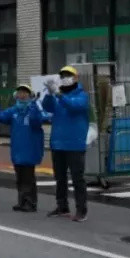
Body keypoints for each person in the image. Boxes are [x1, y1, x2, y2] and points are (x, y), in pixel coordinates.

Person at [42, 65, 91, 222]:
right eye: (63, 75)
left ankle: (81, 210)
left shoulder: (82, 95)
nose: (65, 78)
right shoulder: (58, 96)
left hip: (75, 144)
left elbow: (75, 106)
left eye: (69, 75)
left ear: (76, 78)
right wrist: (50, 94)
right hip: (58, 143)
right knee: (60, 178)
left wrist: (59, 94)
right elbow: (46, 107)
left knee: (77, 178)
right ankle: (62, 206)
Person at [0, 85, 46, 212]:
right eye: (20, 92)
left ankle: (31, 203)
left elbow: (37, 121)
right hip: (17, 150)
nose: (22, 95)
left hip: (30, 149)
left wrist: (34, 105)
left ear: (29, 95)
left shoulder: (33, 110)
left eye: (25, 92)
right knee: (20, 178)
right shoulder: (14, 111)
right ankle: (22, 201)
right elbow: (0, 117)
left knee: (28, 178)